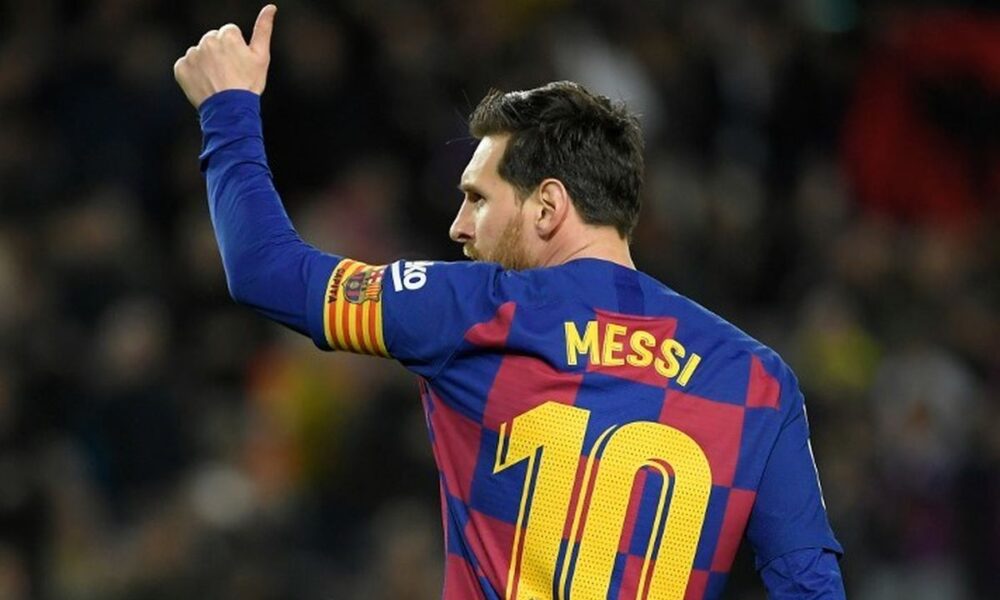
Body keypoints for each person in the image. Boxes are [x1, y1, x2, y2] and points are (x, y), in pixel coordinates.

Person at [174, 5, 845, 599]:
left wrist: (228, 108)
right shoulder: (758, 381)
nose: (458, 227)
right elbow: (810, 585)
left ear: (548, 206)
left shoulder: (476, 311)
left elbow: (265, 271)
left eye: (477, 199)